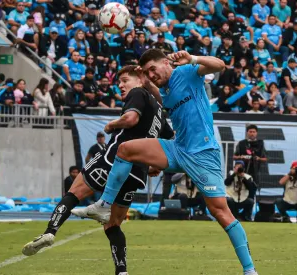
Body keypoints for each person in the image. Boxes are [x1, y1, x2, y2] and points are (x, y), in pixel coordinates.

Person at [73, 49, 258, 275]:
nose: (151, 75)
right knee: (125, 149)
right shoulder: (163, 89)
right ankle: (104, 206)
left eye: (153, 69)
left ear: (165, 63)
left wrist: (193, 58)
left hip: (203, 153)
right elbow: (152, 88)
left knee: (220, 212)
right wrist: (142, 74)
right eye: (147, 72)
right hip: (178, 148)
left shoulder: (187, 71)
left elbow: (219, 65)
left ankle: (250, 271)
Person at [22, 65, 173, 275]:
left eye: (124, 80)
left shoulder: (138, 93)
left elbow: (131, 119)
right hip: (136, 173)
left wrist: (112, 124)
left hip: (114, 160)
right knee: (113, 225)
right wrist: (155, 163)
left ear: (140, 79)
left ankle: (50, 232)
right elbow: (169, 140)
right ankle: (122, 271)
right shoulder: (159, 112)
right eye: (118, 82)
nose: (120, 86)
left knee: (73, 193)